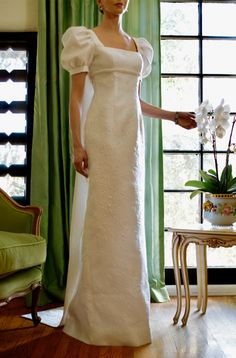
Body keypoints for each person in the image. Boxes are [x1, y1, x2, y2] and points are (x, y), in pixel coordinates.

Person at [60, 0, 196, 347]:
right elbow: (76, 99)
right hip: (102, 132)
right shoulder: (86, 40)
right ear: (99, 3)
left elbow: (137, 101)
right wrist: (78, 146)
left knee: (128, 219)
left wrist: (172, 115)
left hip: (131, 138)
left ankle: (127, 316)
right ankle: (94, 314)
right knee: (103, 219)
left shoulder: (138, 47)